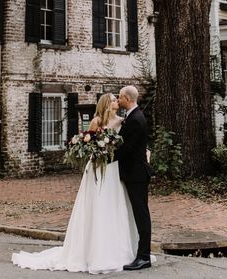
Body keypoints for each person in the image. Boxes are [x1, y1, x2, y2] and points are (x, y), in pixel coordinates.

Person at [11, 93, 139, 274]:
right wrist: (95, 150)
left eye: (116, 99)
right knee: (97, 206)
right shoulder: (96, 121)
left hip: (113, 168)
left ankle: (117, 249)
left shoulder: (121, 122)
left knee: (114, 206)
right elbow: (90, 143)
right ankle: (91, 251)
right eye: (112, 99)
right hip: (98, 168)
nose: (116, 101)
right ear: (106, 104)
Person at [115, 85, 152, 271]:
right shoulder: (132, 117)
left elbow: (127, 148)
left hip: (136, 175)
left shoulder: (136, 119)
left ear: (127, 99)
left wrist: (107, 157)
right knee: (138, 214)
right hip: (133, 173)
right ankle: (140, 253)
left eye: (120, 97)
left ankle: (144, 256)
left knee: (141, 215)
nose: (118, 100)